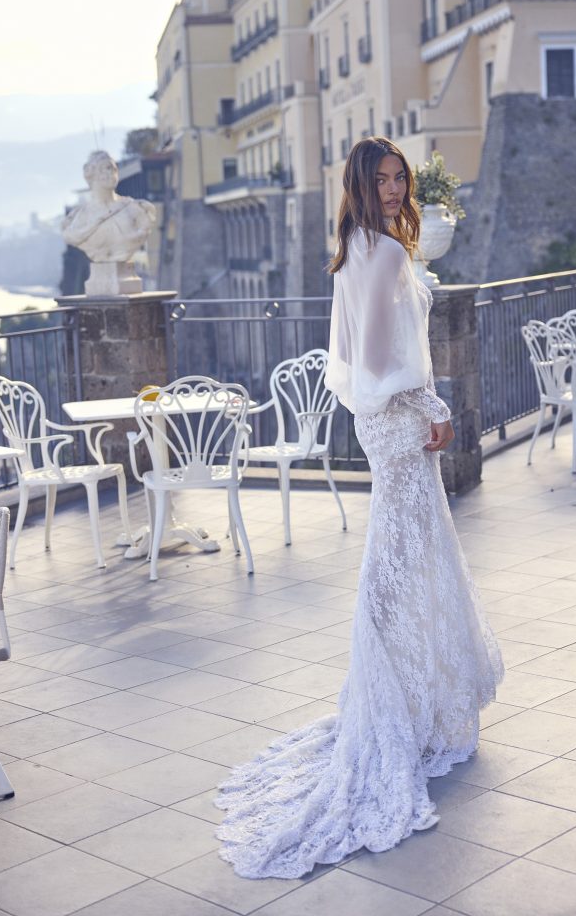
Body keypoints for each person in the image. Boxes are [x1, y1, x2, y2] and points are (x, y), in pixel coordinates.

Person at [215, 136, 503, 880]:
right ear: (360, 183)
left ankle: (401, 698)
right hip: (400, 418)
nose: (395, 188)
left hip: (378, 421)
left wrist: (403, 405)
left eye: (400, 177)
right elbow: (379, 358)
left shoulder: (354, 246)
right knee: (402, 559)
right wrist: (432, 404)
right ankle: (387, 699)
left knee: (411, 553)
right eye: (381, 179)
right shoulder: (387, 255)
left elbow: (351, 362)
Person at [61, 150, 155, 263]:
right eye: (106, 168)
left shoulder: (133, 208)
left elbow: (144, 228)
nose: (112, 173)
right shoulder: (82, 216)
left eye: (114, 169)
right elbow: (71, 236)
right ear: (92, 175)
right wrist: (92, 225)